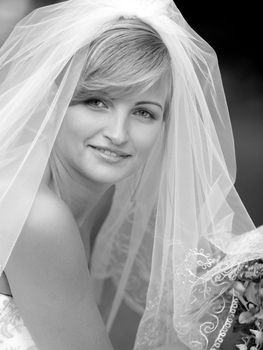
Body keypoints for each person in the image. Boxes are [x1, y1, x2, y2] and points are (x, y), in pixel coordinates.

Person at [0, 1, 262, 349]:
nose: (118, 133)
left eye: (143, 112)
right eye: (97, 102)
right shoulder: (39, 217)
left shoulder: (97, 201)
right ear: (56, 99)